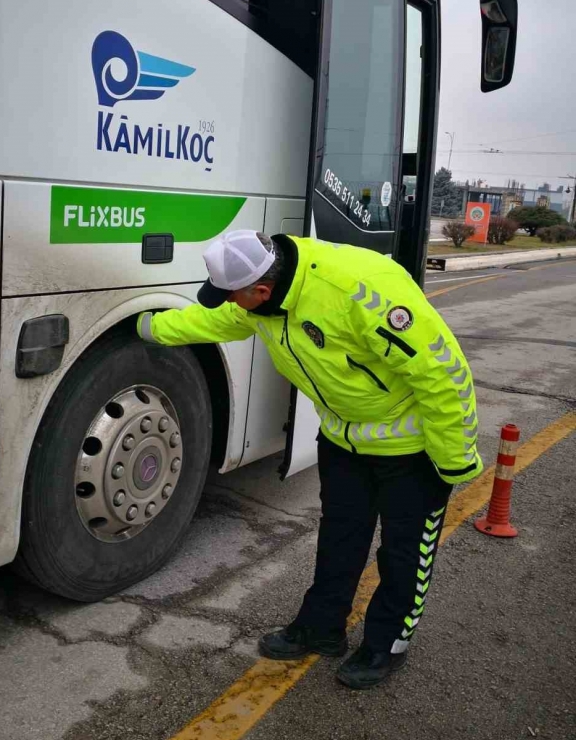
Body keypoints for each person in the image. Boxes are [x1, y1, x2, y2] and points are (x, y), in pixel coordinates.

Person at [137, 230, 482, 689]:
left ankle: (386, 643)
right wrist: (149, 328)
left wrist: (454, 460)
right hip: (344, 440)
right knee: (340, 538)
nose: (231, 304)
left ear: (261, 290)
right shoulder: (264, 302)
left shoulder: (359, 292)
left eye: (234, 297)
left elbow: (442, 373)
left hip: (412, 448)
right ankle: (321, 627)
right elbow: (214, 322)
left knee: (404, 554)